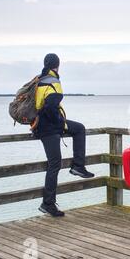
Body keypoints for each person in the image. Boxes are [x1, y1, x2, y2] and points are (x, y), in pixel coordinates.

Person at [34, 53, 95, 217]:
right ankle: (48, 203)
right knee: (55, 164)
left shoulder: (40, 78)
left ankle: (77, 166)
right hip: (49, 128)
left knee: (78, 128)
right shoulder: (54, 82)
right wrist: (59, 124)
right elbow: (50, 108)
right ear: (58, 65)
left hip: (43, 126)